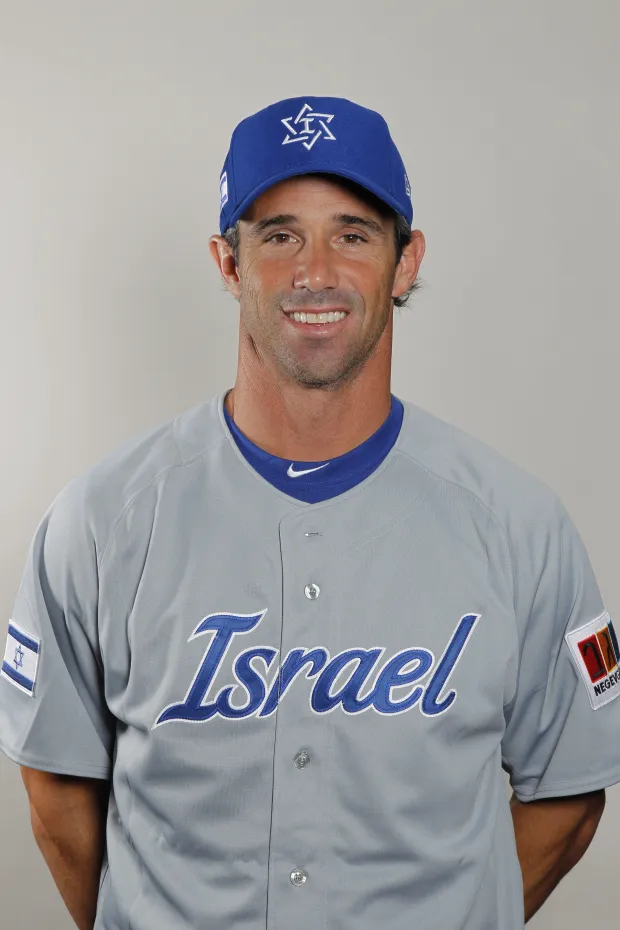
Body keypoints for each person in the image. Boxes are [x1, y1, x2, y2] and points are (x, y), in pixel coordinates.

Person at [1, 94, 618, 930]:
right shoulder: (102, 521)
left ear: (405, 262)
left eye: (354, 234)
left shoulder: (517, 525)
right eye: (280, 235)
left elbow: (570, 795)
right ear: (227, 262)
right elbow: (57, 786)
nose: (315, 271)